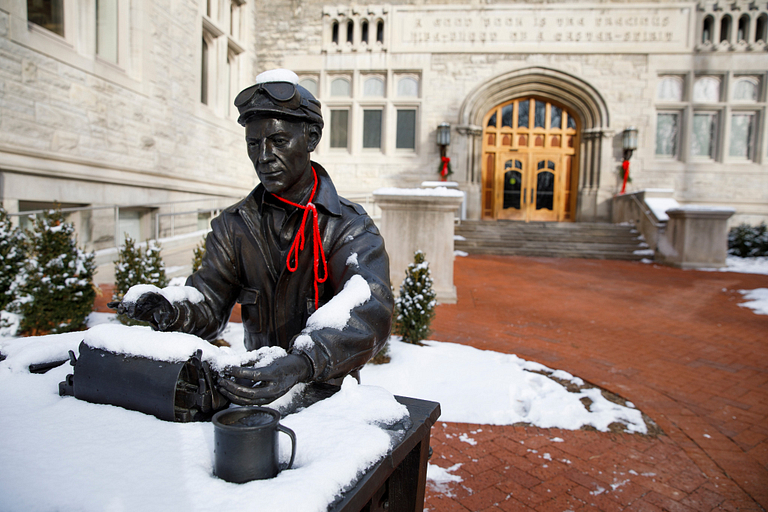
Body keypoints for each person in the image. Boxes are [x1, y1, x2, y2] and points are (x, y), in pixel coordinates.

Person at [111, 69, 393, 406]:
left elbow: (370, 308)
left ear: (312, 137)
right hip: (254, 391)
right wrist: (171, 310)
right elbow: (209, 302)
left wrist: (302, 363)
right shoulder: (233, 226)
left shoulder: (348, 225)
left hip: (328, 397)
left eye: (278, 141)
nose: (263, 157)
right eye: (253, 144)